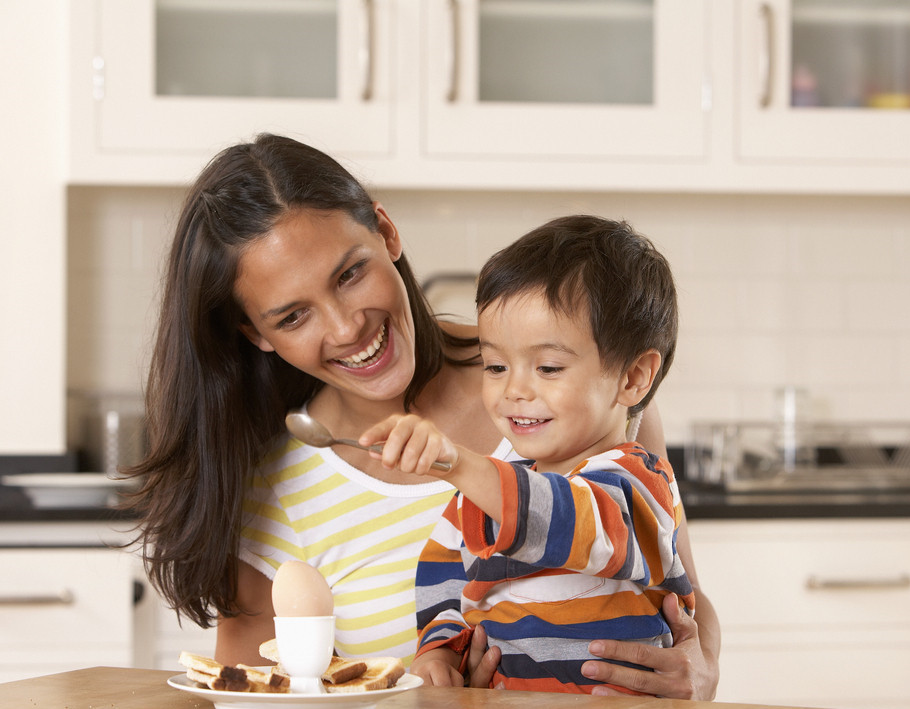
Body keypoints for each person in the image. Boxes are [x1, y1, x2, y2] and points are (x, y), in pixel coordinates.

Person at [126, 133, 720, 699]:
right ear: (255, 334)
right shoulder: (272, 487)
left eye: (349, 273)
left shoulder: (580, 389)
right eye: (292, 317)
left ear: (386, 232)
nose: (345, 326)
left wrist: (701, 669)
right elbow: (255, 691)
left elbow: (679, 588)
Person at [359, 216, 695, 694]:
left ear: (633, 377)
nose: (514, 390)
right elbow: (444, 585)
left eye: (548, 367)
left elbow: (575, 524)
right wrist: (437, 650)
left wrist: (460, 462)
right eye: (495, 365)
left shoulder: (640, 483)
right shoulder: (478, 500)